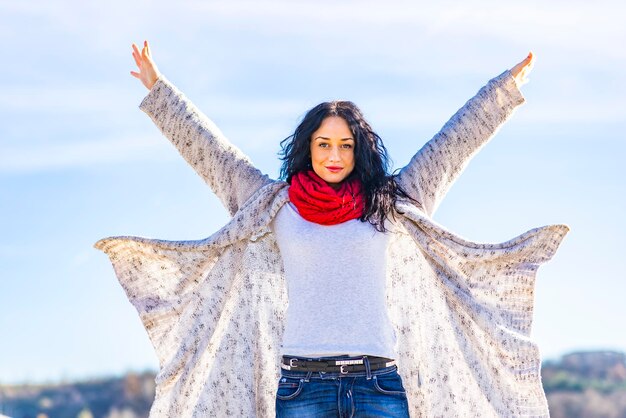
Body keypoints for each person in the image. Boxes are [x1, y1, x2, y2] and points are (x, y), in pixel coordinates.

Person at [95, 41, 569, 417]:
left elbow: (451, 146)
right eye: (324, 144)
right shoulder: (273, 205)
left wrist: (502, 93)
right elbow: (213, 155)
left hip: (379, 385)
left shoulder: (392, 202)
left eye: (345, 145)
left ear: (359, 149)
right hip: (302, 389)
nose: (334, 156)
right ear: (309, 147)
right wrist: (159, 91)